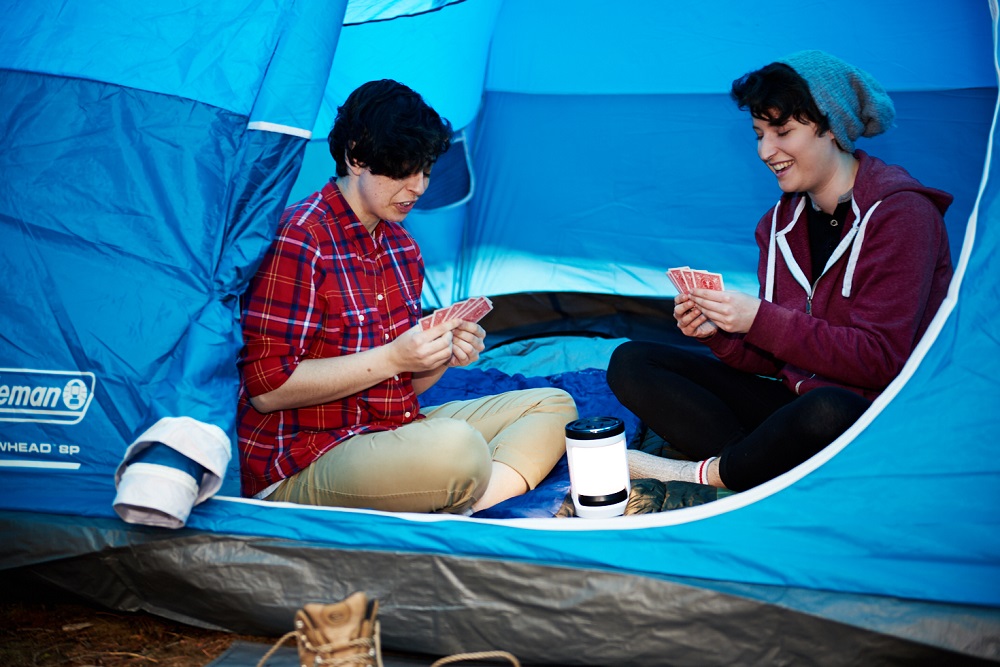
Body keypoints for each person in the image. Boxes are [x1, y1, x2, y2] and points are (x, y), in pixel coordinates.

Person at [607, 51, 953, 492]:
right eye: (758, 134)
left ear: (832, 127)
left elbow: (881, 360)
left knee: (827, 409)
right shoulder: (777, 224)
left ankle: (715, 473)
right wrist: (719, 332)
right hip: (793, 403)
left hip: (872, 413)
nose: (766, 151)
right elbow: (772, 357)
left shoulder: (902, 215)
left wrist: (759, 319)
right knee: (633, 361)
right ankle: (758, 467)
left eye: (783, 131)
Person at [237, 79, 577, 514]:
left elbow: (404, 386)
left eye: (426, 170)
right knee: (457, 449)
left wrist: (439, 355)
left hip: (389, 429)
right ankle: (460, 488)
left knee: (553, 404)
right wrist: (396, 357)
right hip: (306, 458)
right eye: (404, 169)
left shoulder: (402, 247)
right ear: (356, 156)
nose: (418, 187)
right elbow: (267, 389)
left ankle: (473, 507)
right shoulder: (300, 239)